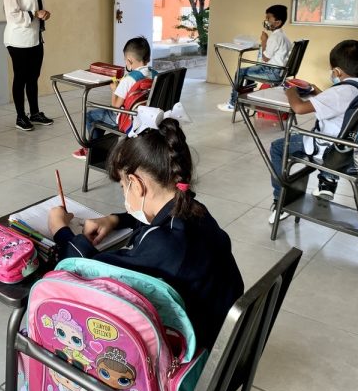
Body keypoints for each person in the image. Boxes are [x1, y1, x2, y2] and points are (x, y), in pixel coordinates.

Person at [50, 114, 244, 350]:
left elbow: (81, 268)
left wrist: (59, 228)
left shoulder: (164, 246)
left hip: (190, 357)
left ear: (136, 183)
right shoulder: (195, 211)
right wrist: (114, 220)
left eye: (123, 186)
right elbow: (155, 224)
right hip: (218, 334)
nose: (124, 193)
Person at [268, 40, 358, 224]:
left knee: (278, 147)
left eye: (332, 70)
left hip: (331, 149)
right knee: (327, 133)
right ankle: (327, 181)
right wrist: (319, 93)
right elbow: (342, 106)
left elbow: (299, 108)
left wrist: (291, 91)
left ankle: (280, 200)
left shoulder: (340, 92)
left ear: (337, 71)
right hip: (355, 149)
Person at [72, 36, 156, 160]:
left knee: (91, 115)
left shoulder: (129, 79)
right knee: (98, 115)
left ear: (129, 60)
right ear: (147, 58)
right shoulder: (155, 75)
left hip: (129, 119)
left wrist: (115, 90)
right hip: (149, 119)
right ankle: (100, 147)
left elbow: (116, 107)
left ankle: (92, 150)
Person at [3, 0, 54, 131]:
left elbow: (38, 7)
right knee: (21, 77)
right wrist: (34, 14)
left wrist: (44, 14)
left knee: (33, 77)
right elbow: (12, 15)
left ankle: (35, 113)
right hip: (18, 40)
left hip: (35, 38)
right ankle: (20, 116)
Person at [218, 4, 293, 111]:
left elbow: (265, 58)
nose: (266, 21)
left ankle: (233, 103)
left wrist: (264, 41)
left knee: (240, 72)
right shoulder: (283, 36)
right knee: (250, 71)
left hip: (272, 72)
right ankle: (246, 99)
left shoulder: (275, 37)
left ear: (278, 22)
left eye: (268, 18)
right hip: (281, 71)